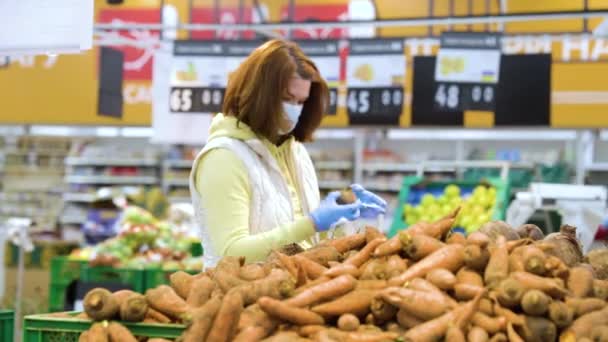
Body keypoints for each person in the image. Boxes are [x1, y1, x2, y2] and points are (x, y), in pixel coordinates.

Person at [190, 39, 386, 267]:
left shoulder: (296, 153)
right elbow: (231, 255)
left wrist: (341, 209)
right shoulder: (223, 157)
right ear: (257, 93)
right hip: (236, 298)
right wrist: (312, 223)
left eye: (301, 102)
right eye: (286, 99)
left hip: (287, 293)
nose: (294, 109)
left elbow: (306, 239)